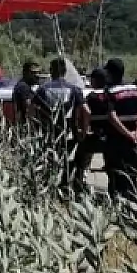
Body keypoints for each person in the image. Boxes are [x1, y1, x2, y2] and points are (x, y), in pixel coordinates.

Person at [33, 58, 90, 192]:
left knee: (50, 163)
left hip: (49, 134)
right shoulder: (74, 90)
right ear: (65, 71)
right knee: (69, 163)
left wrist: (36, 126)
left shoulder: (43, 90)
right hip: (69, 134)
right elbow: (86, 111)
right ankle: (68, 190)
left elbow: (31, 110)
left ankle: (51, 190)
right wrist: (83, 130)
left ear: (51, 71)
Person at [103, 58, 137, 211]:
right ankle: (135, 208)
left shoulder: (110, 91)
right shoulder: (134, 89)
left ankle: (116, 209)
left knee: (115, 174)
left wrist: (128, 134)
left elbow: (112, 117)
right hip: (134, 141)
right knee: (132, 175)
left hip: (116, 140)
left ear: (110, 73)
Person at [74, 67, 109, 191]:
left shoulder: (91, 97)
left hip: (93, 135)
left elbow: (85, 113)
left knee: (80, 159)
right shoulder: (109, 95)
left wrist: (83, 130)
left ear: (95, 80)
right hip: (109, 136)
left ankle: (79, 184)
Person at [12, 60, 40, 128]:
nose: (37, 75)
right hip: (26, 126)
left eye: (38, 72)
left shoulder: (25, 85)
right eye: (33, 73)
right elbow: (29, 107)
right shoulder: (23, 87)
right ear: (25, 73)